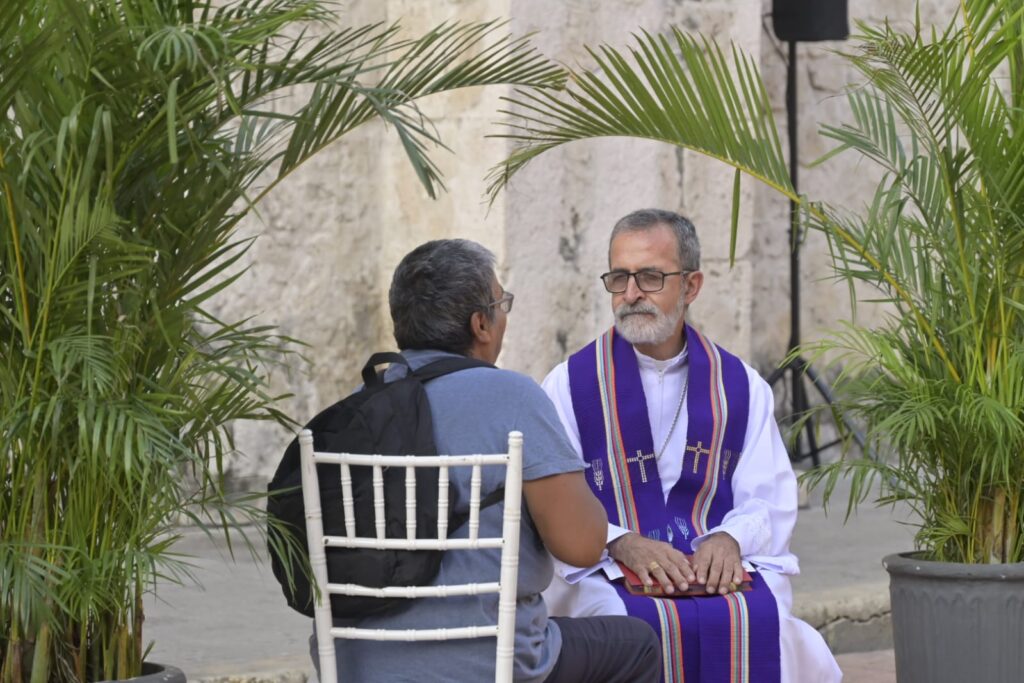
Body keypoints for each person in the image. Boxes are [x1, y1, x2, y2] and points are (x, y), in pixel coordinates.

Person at [310, 238, 661, 683]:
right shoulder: (513, 398)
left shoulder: (355, 409)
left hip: (356, 664)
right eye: (501, 303)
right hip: (485, 660)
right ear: (480, 323)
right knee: (636, 643)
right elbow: (582, 546)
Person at [540, 210, 841, 683]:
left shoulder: (739, 386)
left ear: (691, 286)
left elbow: (769, 496)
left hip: (713, 562)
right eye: (619, 278)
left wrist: (730, 539)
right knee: (622, 624)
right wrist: (620, 541)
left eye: (650, 277)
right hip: (609, 567)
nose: (631, 294)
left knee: (767, 624)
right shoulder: (571, 385)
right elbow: (555, 503)